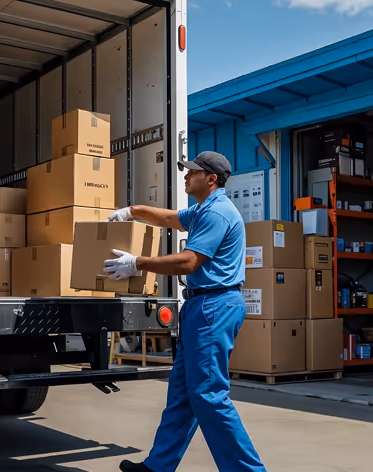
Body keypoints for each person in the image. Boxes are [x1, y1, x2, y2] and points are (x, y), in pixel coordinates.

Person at [104, 151, 266, 472]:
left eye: (192, 172)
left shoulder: (217, 213)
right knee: (181, 393)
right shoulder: (202, 210)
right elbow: (167, 218)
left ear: (211, 179)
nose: (186, 176)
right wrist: (131, 211)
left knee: (208, 394)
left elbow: (190, 261)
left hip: (213, 306)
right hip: (200, 305)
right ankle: (158, 467)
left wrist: (137, 263)